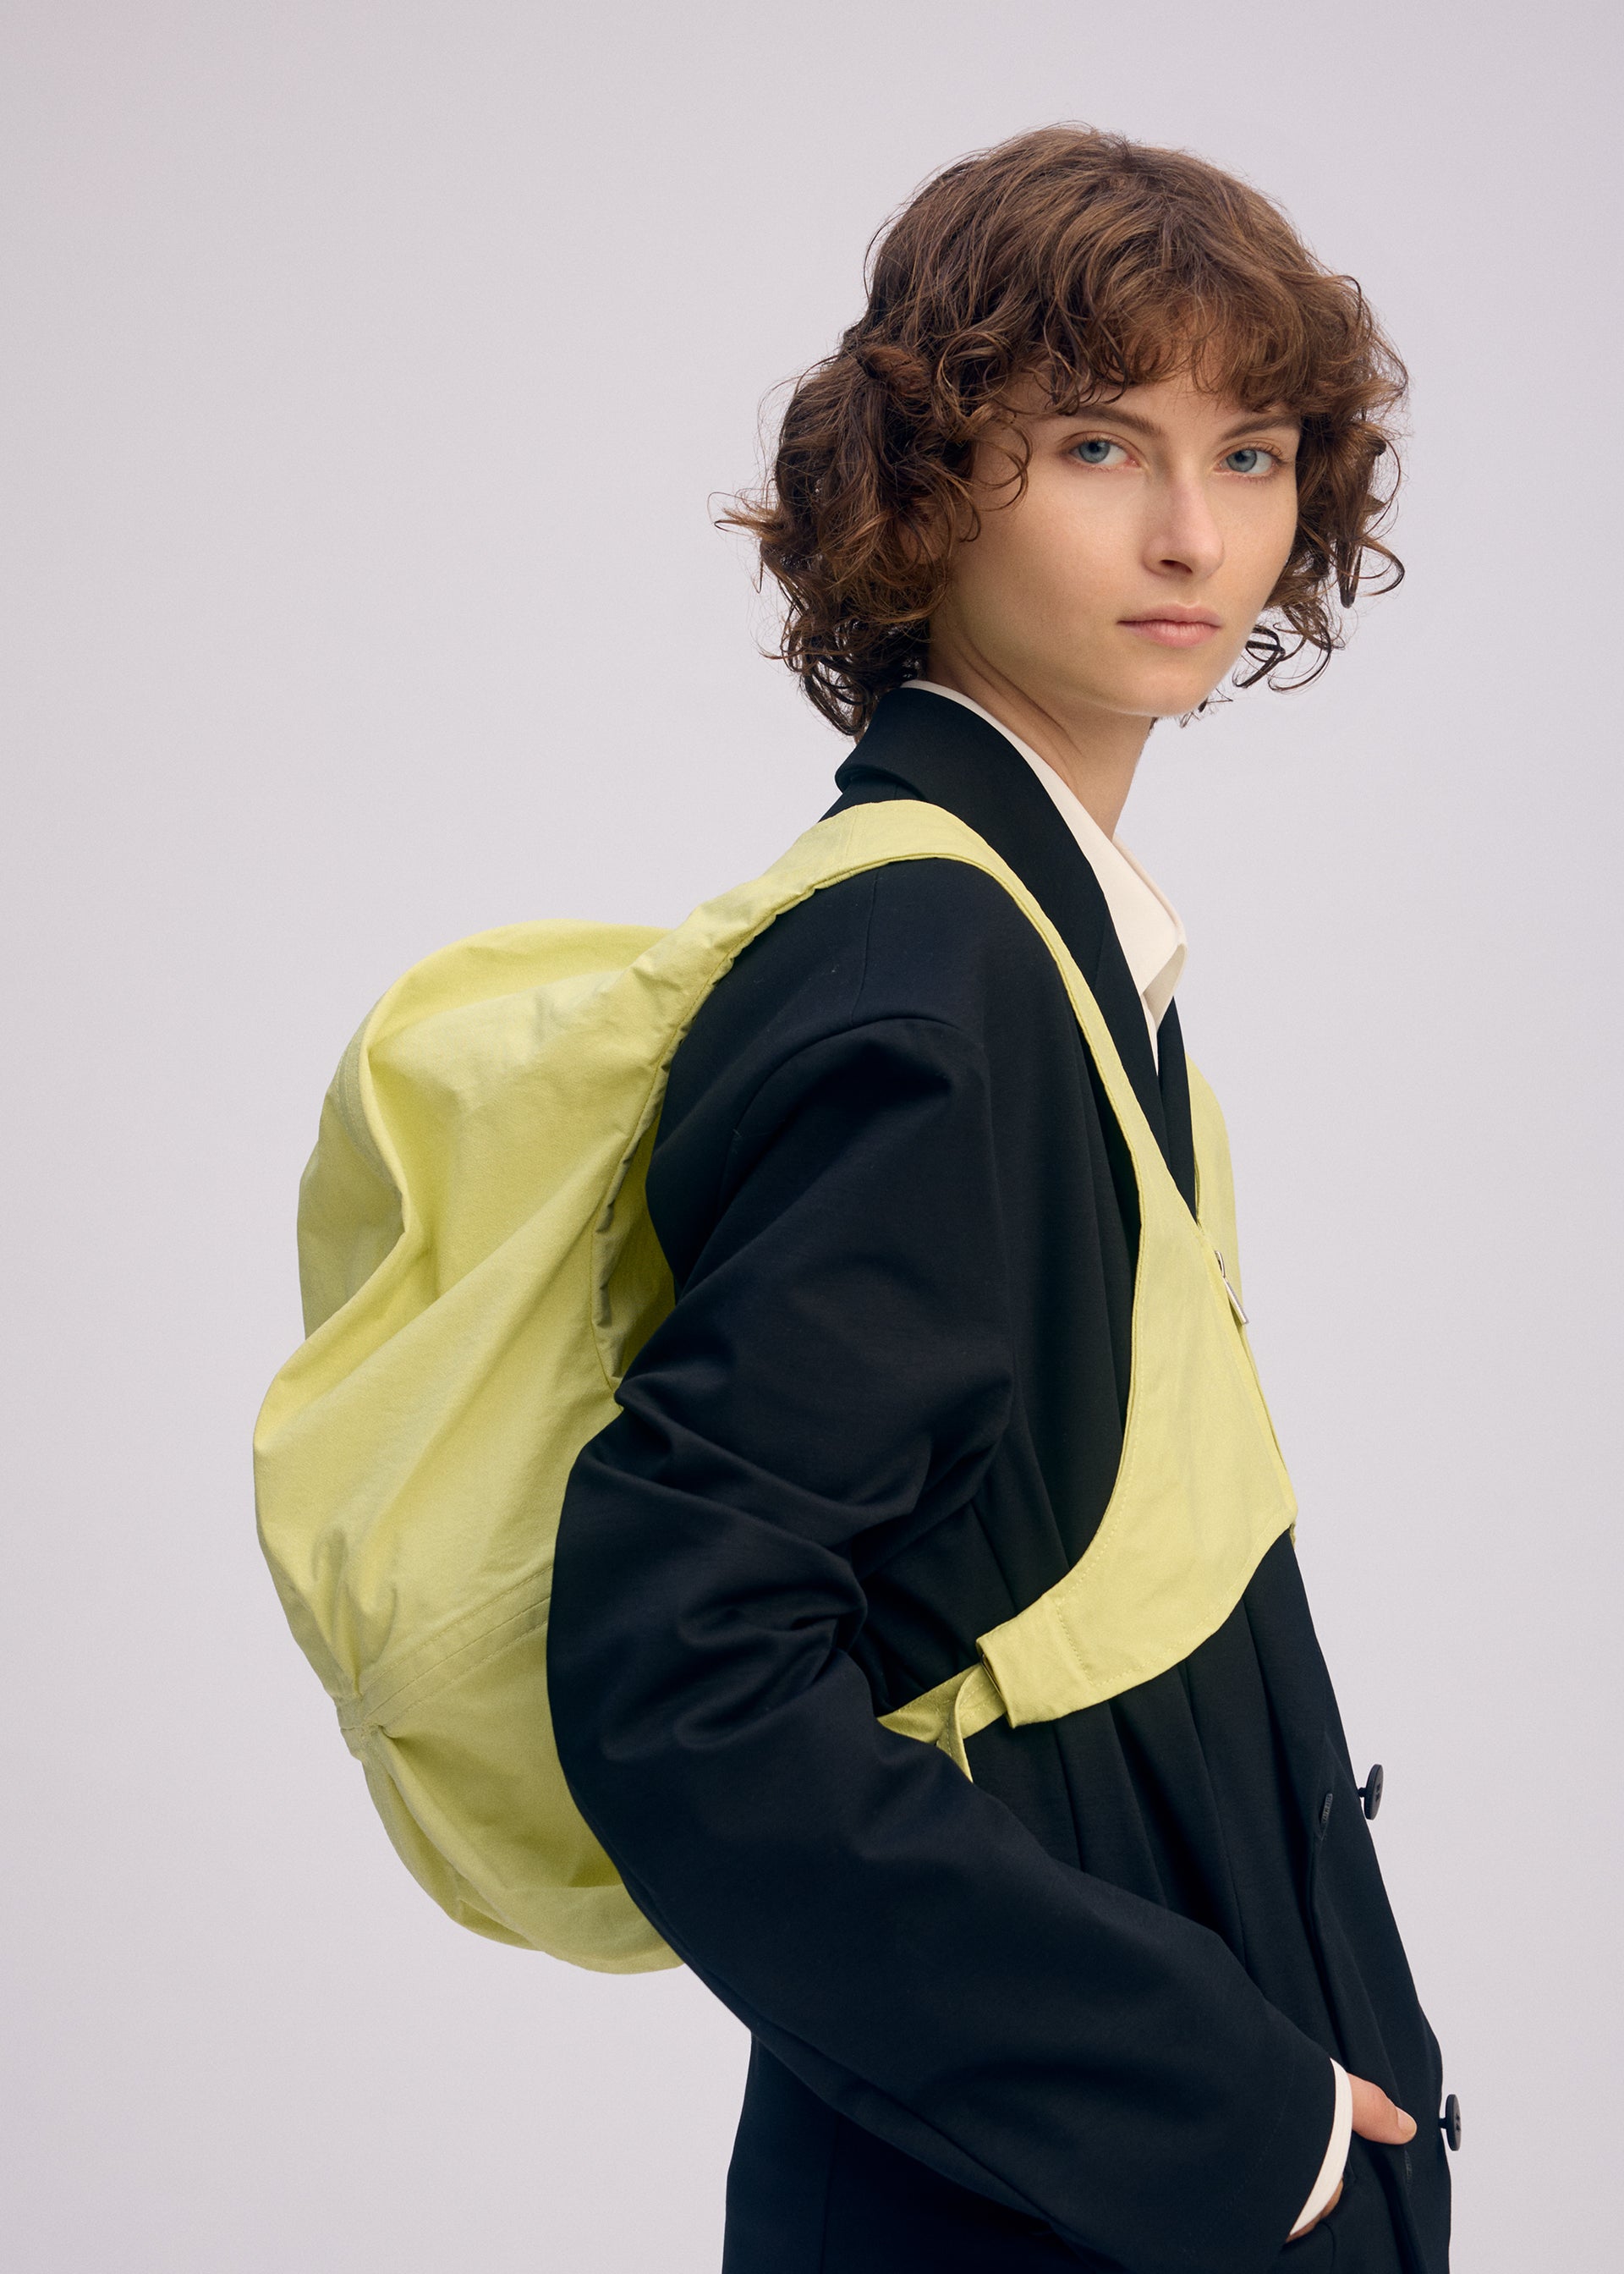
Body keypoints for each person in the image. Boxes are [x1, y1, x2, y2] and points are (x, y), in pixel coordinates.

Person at [546, 126, 1451, 2272]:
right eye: (1094, 444)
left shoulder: (1036, 936)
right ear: (923, 484)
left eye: (1251, 454)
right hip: (1049, 2203)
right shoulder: (933, 975)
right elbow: (684, 1679)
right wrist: (1221, 2109)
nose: (1190, 532)